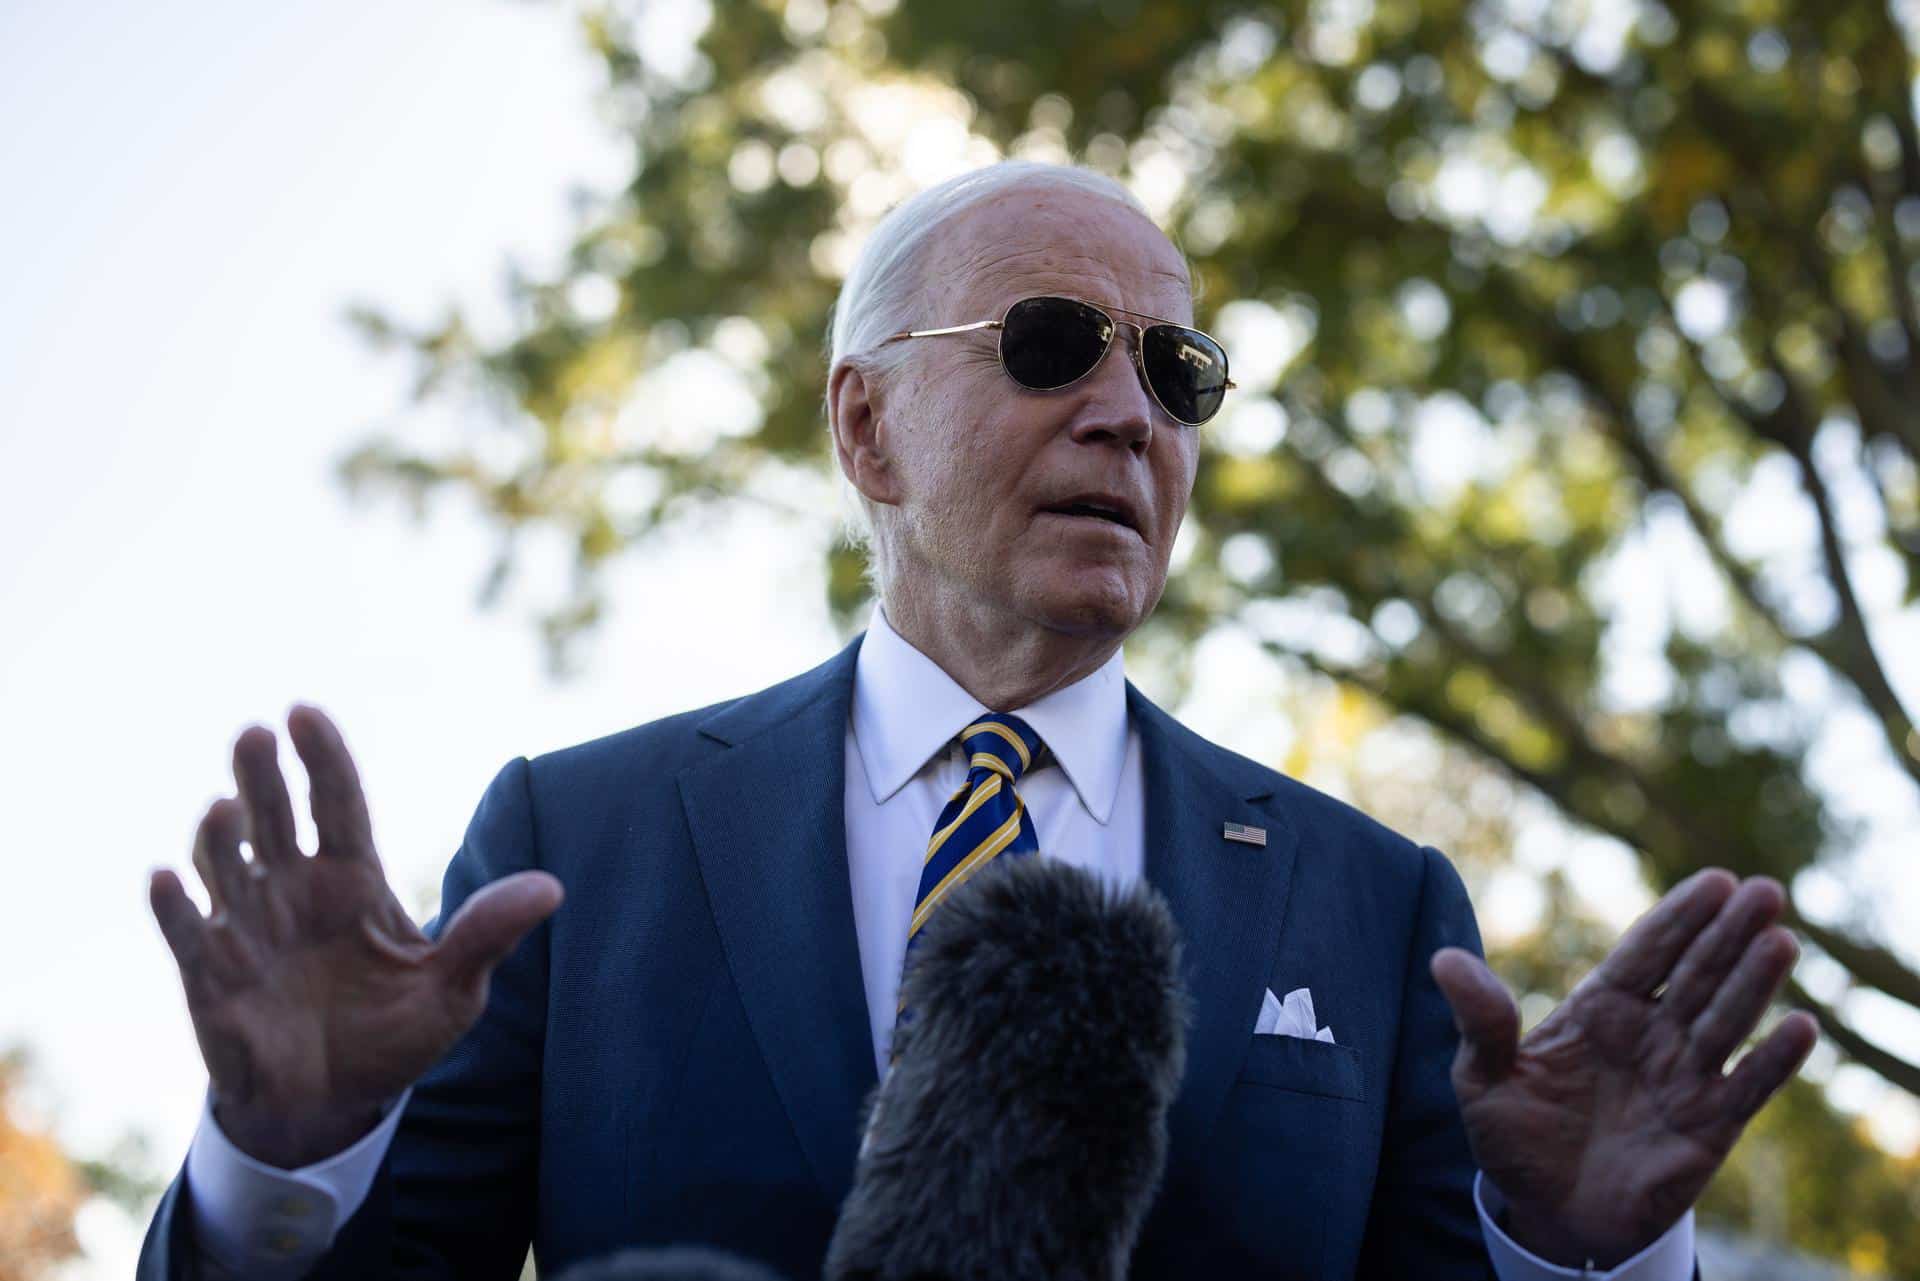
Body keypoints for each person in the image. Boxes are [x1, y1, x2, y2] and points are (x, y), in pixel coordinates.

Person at [138, 160, 1816, 1280]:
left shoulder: (1370, 903)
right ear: (866, 428)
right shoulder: (582, 846)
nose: (1125, 413)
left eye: (1178, 372)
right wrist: (285, 1157)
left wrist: (1578, 1254)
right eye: (1051, 343)